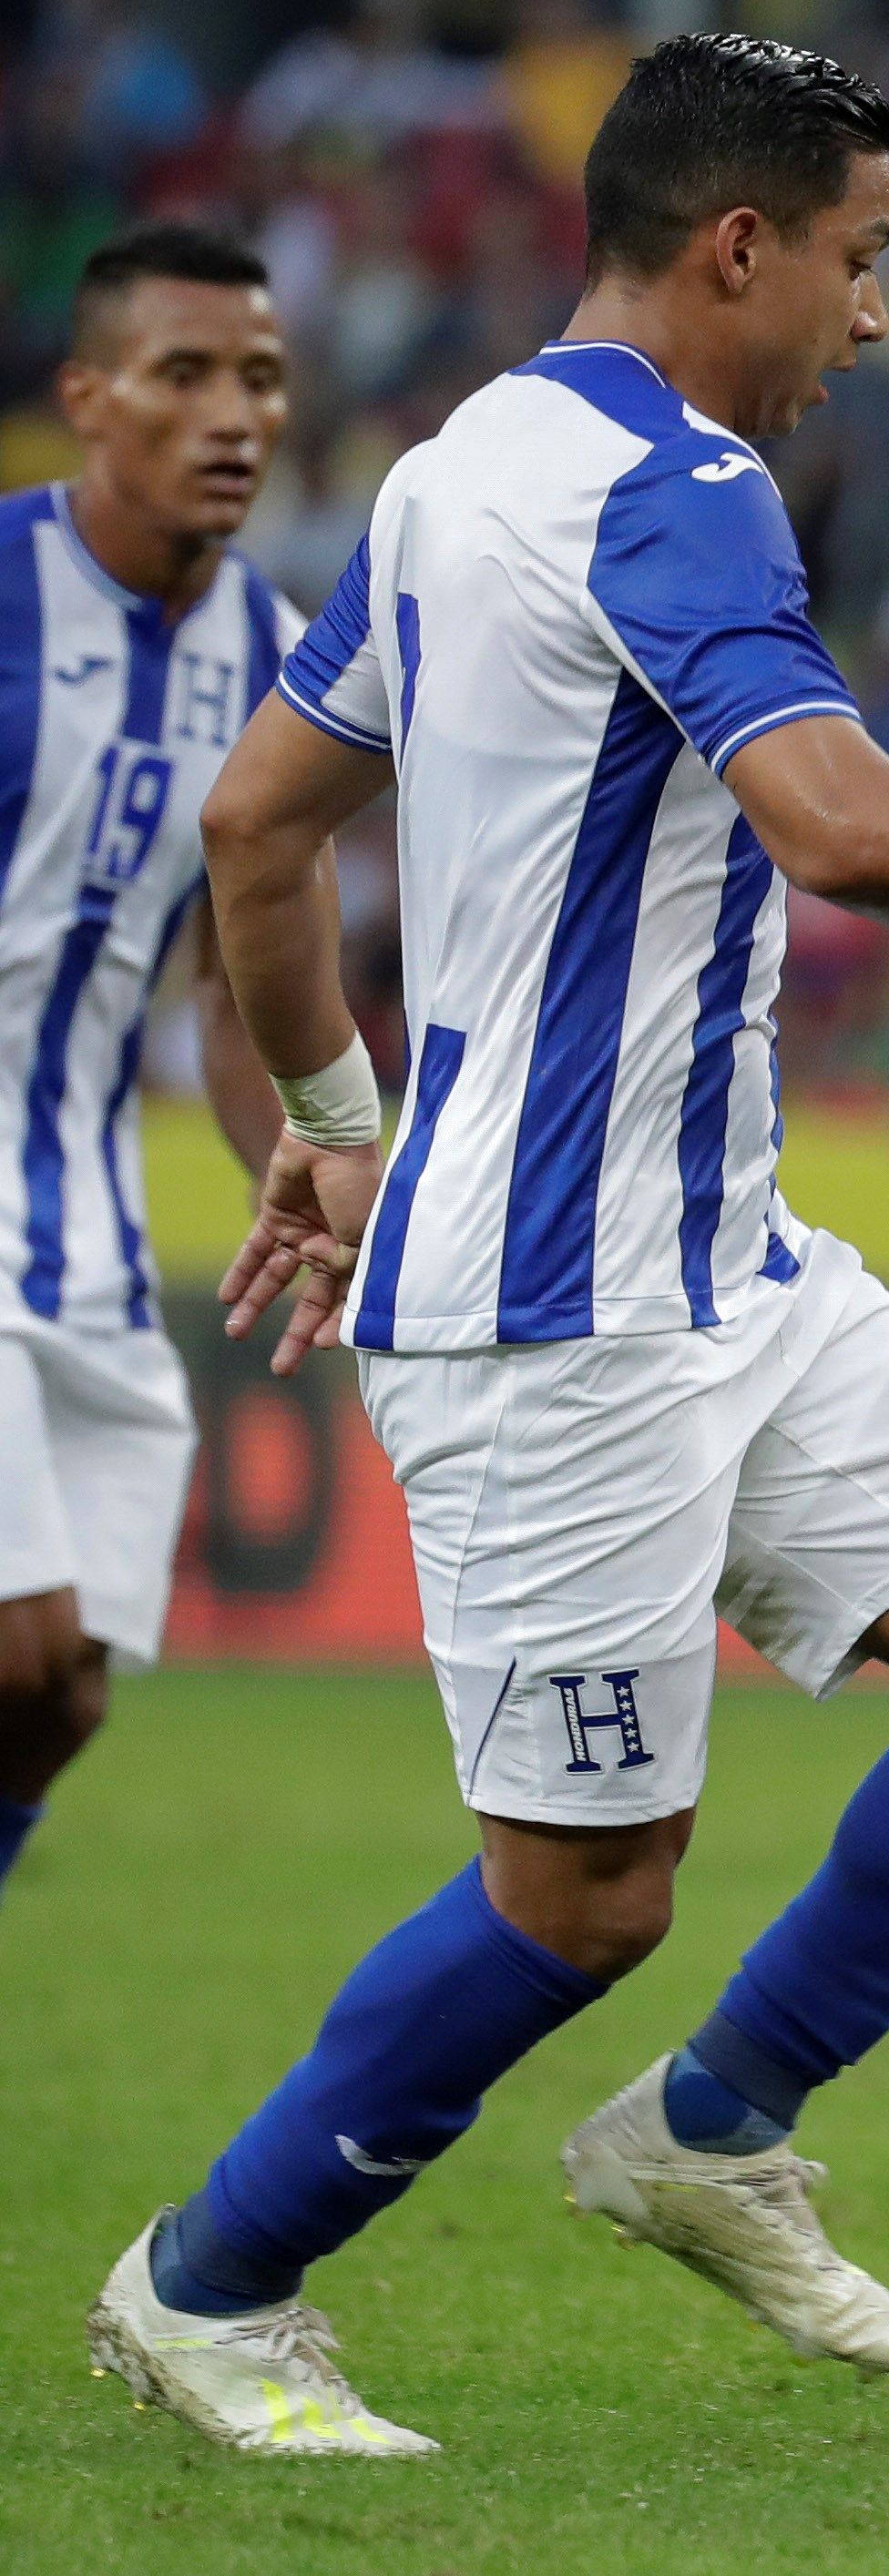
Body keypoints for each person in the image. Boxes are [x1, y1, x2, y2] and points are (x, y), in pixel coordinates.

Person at [83, 35, 889, 2459]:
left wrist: (337, 1124)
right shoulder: (674, 481)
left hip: (726, 1265)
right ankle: (204, 2285)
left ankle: (710, 2129)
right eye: (859, 261)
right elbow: (829, 827)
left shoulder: (454, 473)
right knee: (581, 1897)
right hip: (560, 1323)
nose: (871, 316)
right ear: (738, 244)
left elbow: (258, 822)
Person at [0, 221, 295, 1910]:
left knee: (66, 1689)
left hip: (90, 1237)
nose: (231, 415)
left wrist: (322, 1157)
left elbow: (240, 982)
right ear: (87, 399)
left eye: (256, 377)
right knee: (13, 1634)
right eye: (183, 376)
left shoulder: (283, 657)